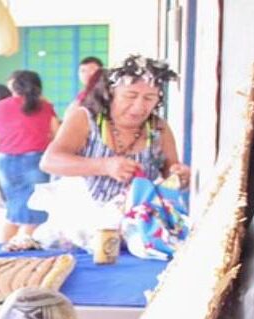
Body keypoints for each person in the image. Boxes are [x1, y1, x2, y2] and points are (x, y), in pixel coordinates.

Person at [39, 55, 191, 206]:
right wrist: (104, 166)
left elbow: (170, 174)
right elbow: (49, 161)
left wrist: (179, 177)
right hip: (83, 221)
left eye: (149, 98)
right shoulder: (85, 119)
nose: (138, 106)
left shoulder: (159, 129)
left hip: (137, 223)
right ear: (111, 93)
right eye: (130, 96)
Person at [0, 70, 60, 242]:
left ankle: (5, 247)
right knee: (36, 207)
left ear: (13, 86)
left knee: (14, 207)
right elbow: (57, 134)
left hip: (6, 162)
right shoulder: (45, 107)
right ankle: (25, 247)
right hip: (35, 160)